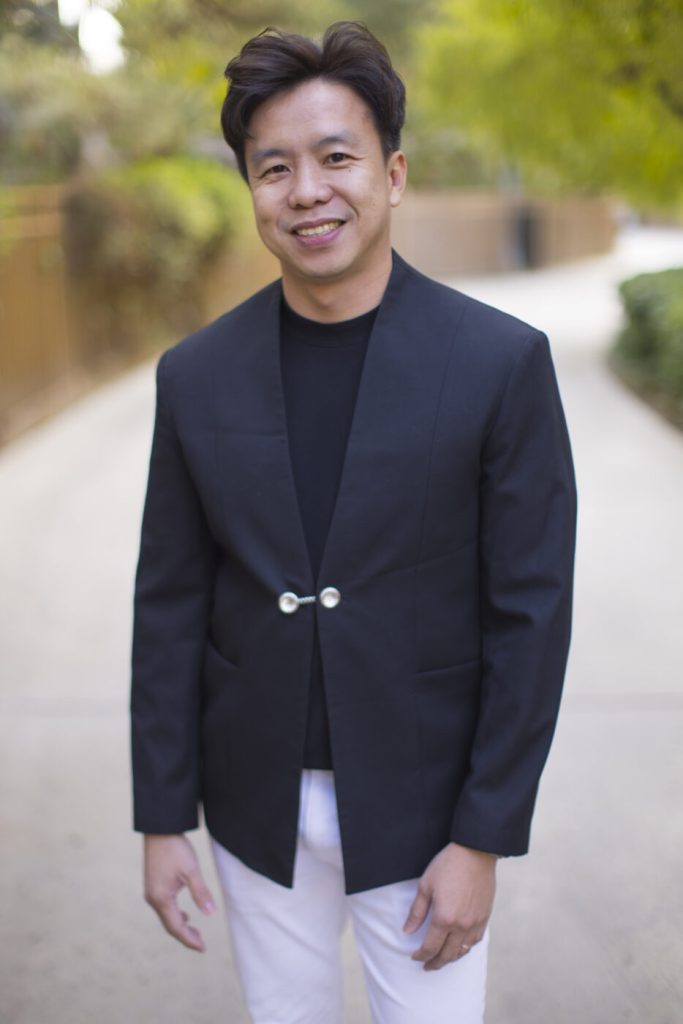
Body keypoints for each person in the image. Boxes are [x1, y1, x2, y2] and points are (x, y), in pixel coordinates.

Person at [131, 21, 577, 1024]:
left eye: (336, 158)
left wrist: (483, 835)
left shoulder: (497, 363)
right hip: (253, 802)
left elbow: (530, 615)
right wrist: (162, 817)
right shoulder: (195, 376)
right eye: (273, 168)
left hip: (426, 805)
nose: (306, 191)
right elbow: (169, 604)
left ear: (393, 174)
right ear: (251, 189)